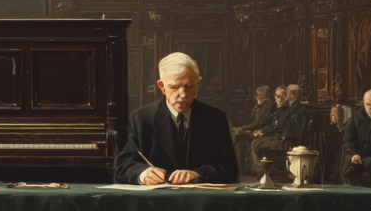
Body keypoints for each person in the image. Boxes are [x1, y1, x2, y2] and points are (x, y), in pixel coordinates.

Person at [114, 52, 239, 185]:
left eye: (189, 86)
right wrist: (143, 174)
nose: (183, 94)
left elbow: (230, 170)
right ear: (162, 86)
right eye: (174, 87)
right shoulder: (141, 118)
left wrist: (198, 174)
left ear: (198, 83)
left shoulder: (216, 118)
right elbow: (122, 168)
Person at [250, 84, 309, 165]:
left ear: (292, 95)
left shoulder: (292, 108)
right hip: (288, 139)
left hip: (286, 141)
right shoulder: (299, 107)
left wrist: (262, 131)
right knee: (256, 141)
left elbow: (278, 124)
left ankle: (261, 170)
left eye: (287, 94)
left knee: (256, 143)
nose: (286, 97)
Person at [232, 86, 274, 174]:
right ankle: (239, 168)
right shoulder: (259, 105)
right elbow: (253, 121)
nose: (256, 97)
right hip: (254, 130)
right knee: (240, 141)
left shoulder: (268, 106)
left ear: (265, 96)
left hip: (263, 132)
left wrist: (244, 129)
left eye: (259, 95)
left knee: (245, 138)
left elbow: (259, 122)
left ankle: (252, 169)